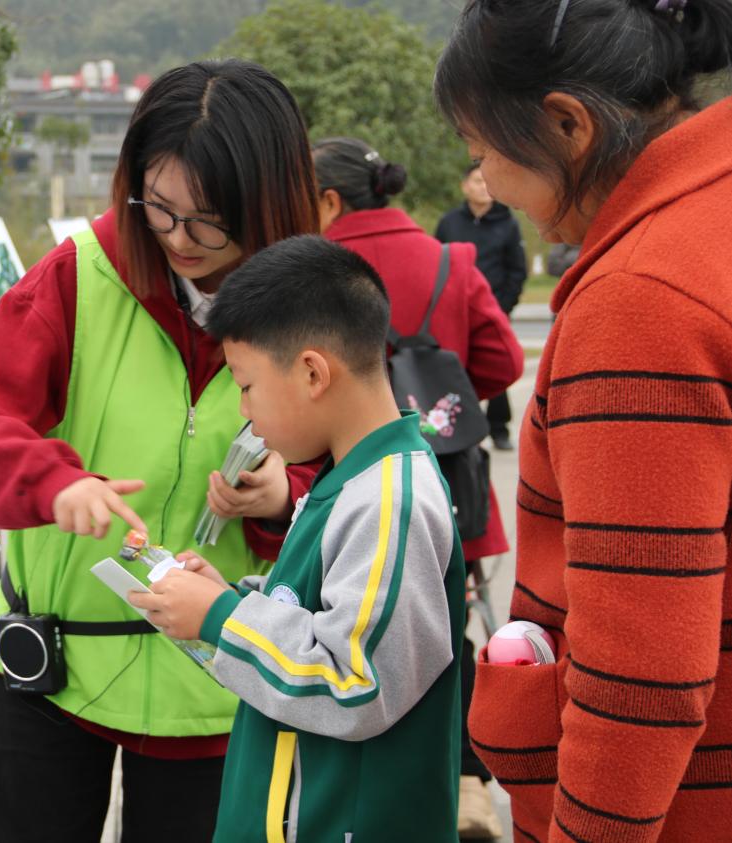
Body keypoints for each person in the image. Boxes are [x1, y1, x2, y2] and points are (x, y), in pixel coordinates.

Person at [0, 60, 320, 842]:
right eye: (158, 208)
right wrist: (51, 480)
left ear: (268, 202)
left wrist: (284, 494)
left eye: (209, 221)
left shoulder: (311, 303)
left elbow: (356, 466)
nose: (179, 240)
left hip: (217, 685)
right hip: (52, 674)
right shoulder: (79, 275)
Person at [434, 1, 732, 840]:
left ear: (567, 124)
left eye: (483, 152)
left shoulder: (640, 298)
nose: (487, 181)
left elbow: (641, 672)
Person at [130, 235, 465, 841]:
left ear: (312, 372)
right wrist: (233, 596)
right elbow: (321, 611)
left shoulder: (389, 500)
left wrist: (223, 619)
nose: (243, 410)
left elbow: (358, 683)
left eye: (246, 385)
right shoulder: (350, 477)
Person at [311, 136, 524, 839]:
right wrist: (440, 403)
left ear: (329, 200)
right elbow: (502, 360)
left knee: (339, 637)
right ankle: (466, 785)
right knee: (447, 633)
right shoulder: (448, 259)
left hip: (338, 480)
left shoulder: (311, 269)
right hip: (446, 478)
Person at [436, 162, 528, 451]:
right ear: (465, 186)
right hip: (454, 309)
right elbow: (436, 262)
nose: (483, 187)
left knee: (495, 364)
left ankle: (499, 428)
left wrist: (504, 305)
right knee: (455, 367)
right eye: (477, 181)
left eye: (487, 181)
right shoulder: (450, 222)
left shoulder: (508, 223)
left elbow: (517, 270)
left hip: (494, 308)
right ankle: (455, 427)